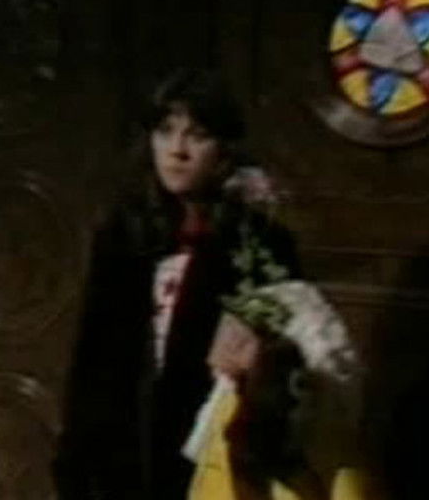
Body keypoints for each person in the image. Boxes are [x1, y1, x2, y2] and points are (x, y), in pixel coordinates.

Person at [53, 68, 305, 498]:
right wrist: (75, 461)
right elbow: (91, 364)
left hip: (212, 456)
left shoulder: (261, 243)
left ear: (224, 149)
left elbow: (287, 363)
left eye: (197, 135)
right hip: (121, 459)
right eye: (165, 131)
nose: (177, 150)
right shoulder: (123, 236)